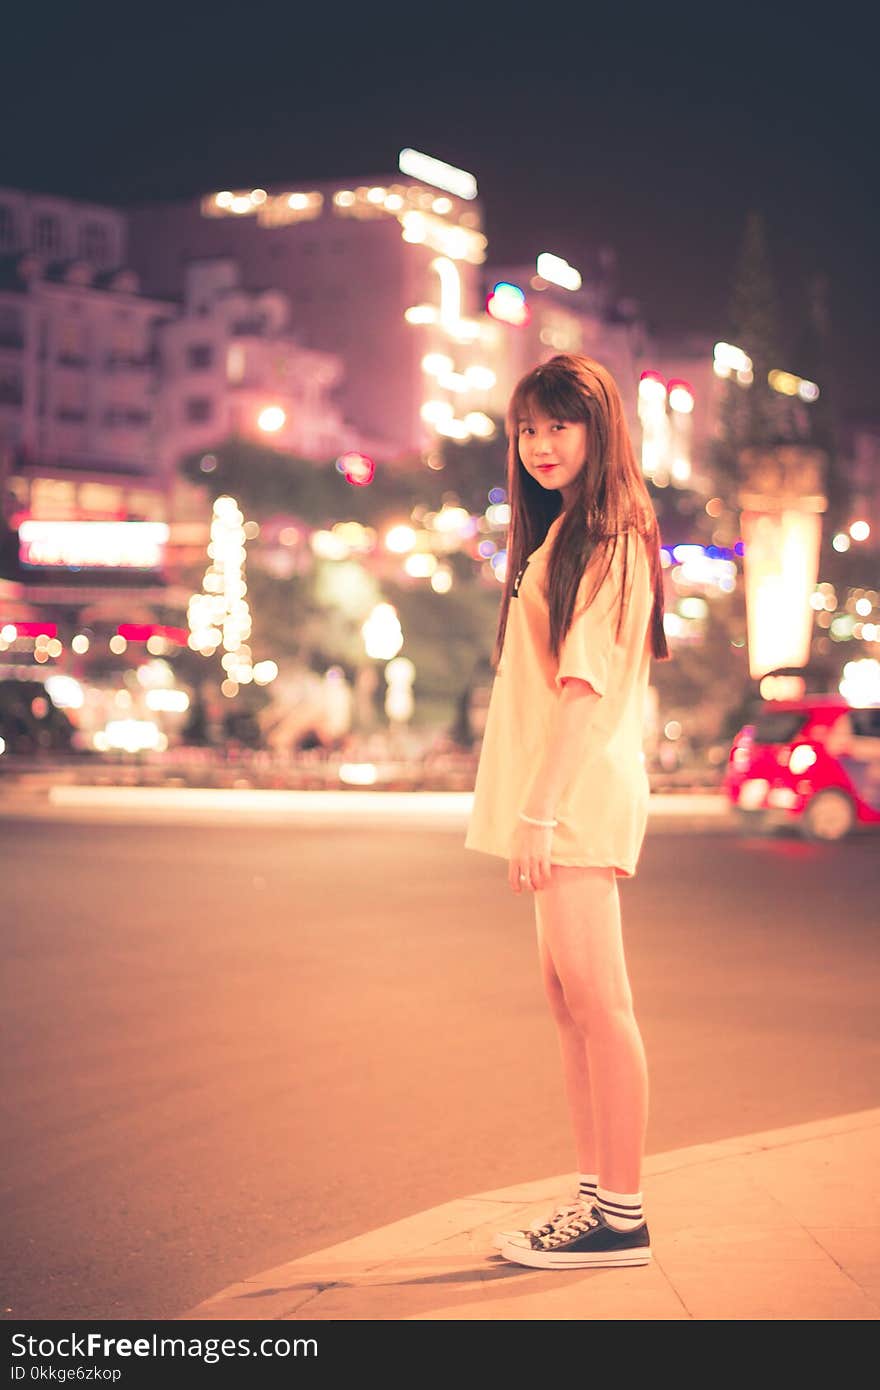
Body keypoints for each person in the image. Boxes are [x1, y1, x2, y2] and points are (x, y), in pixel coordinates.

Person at [464, 354, 671, 1270]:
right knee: (570, 1004)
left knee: (600, 1004)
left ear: (599, 430)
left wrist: (540, 815)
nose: (542, 445)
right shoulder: (565, 532)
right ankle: (596, 1199)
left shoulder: (614, 533)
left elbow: (585, 689)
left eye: (561, 425)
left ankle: (620, 1215)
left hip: (576, 799)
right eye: (529, 428)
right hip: (558, 796)